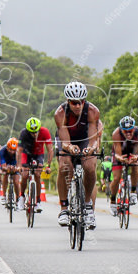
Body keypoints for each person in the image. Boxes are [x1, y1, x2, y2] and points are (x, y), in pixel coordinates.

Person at [53, 81, 103, 228]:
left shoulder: (93, 111)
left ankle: (88, 206)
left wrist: (91, 148)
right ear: (68, 101)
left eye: (81, 102)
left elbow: (94, 140)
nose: (78, 106)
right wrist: (70, 148)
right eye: (74, 103)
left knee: (90, 167)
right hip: (67, 139)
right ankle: (63, 209)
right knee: (65, 166)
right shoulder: (60, 113)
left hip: (85, 139)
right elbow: (65, 142)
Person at [109, 115, 138, 216]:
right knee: (116, 178)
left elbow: (136, 152)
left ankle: (133, 192)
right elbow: (118, 153)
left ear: (134, 128)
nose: (128, 133)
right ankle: (112, 201)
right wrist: (120, 159)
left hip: (131, 152)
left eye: (130, 130)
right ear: (121, 130)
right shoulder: (116, 133)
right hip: (119, 152)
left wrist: (135, 158)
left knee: (135, 166)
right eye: (125, 131)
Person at [18, 116, 53, 212]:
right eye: (32, 132)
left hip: (38, 154)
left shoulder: (45, 132)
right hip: (26, 154)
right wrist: (19, 166)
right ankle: (21, 197)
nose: (34, 134)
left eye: (36, 131)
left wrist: (48, 166)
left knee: (38, 175)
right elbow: (19, 151)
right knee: (24, 175)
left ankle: (37, 201)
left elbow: (50, 150)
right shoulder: (23, 133)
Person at [0, 137, 23, 204]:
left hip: (15, 163)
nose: (12, 152)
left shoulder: (19, 151)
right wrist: (7, 168)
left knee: (16, 181)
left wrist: (18, 168)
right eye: (11, 150)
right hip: (6, 163)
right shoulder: (2, 151)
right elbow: (3, 166)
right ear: (7, 148)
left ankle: (18, 198)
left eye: (14, 150)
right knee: (5, 175)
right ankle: (4, 195)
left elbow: (19, 164)